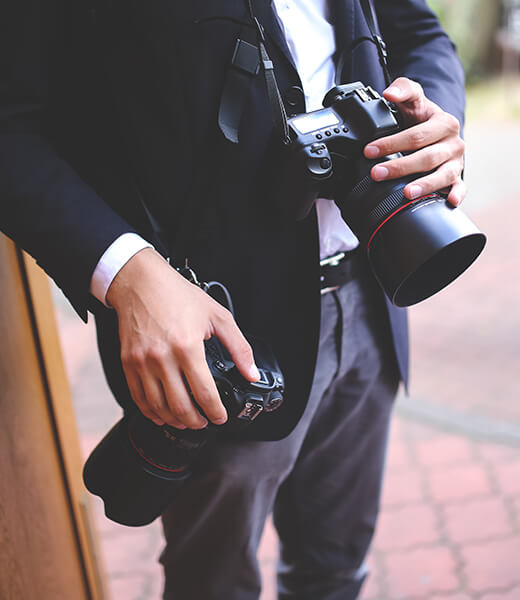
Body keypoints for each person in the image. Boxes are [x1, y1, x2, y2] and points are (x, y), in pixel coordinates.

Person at [0, 0, 465, 598]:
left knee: (336, 570)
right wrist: (126, 271)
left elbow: (417, 30)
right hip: (216, 340)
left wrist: (438, 122)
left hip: (375, 291)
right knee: (214, 584)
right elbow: (10, 124)